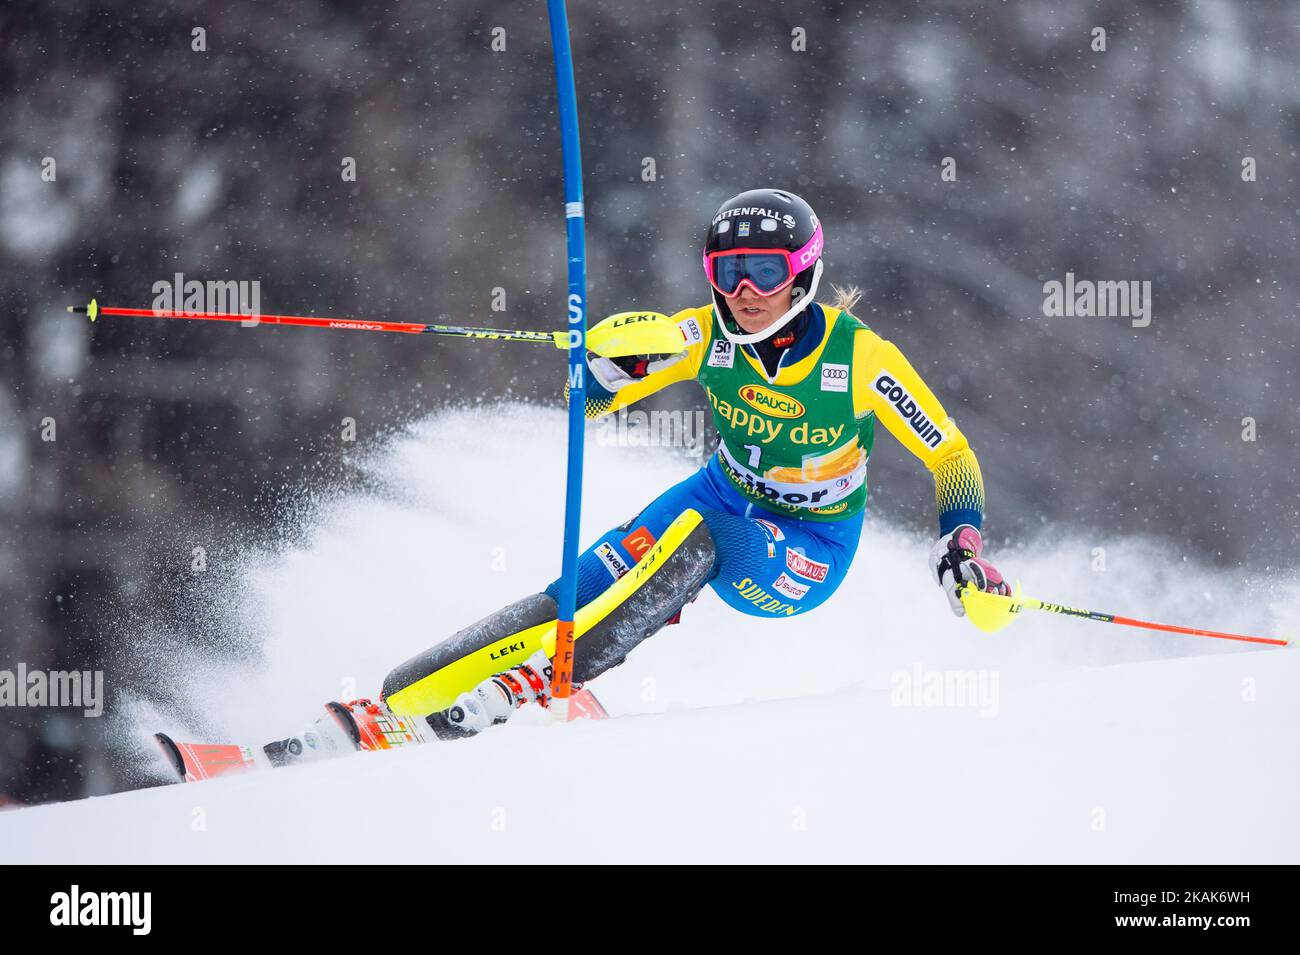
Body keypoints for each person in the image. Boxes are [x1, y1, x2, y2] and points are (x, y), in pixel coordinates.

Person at [380, 188, 1011, 736]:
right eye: (728, 271)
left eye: (764, 271)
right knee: (584, 586)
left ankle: (541, 682)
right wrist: (600, 369)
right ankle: (408, 693)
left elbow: (950, 453)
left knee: (706, 538)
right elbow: (591, 407)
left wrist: (962, 542)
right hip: (718, 490)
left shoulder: (862, 359)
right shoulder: (700, 334)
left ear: (801, 275)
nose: (744, 292)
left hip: (809, 542)